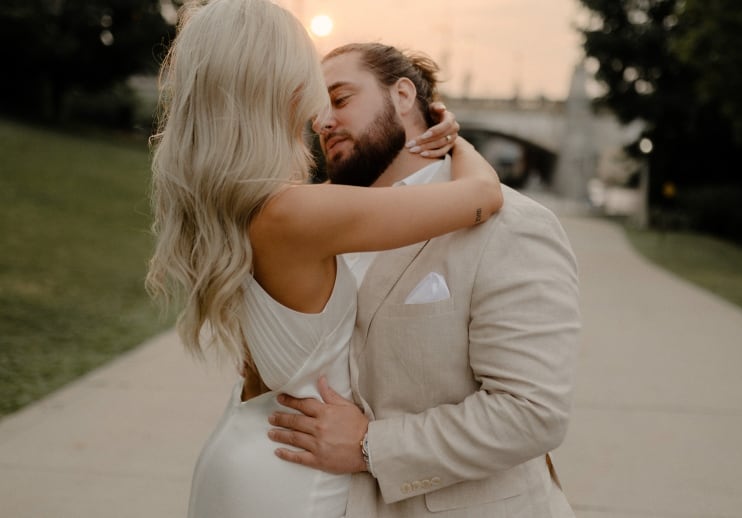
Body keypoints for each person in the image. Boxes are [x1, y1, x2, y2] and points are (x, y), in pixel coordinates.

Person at [144, 1, 502, 518]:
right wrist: (450, 134)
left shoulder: (243, 202)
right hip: (291, 477)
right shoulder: (300, 212)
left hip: (247, 451)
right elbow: (483, 197)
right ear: (281, 87)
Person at [261, 43, 581, 517]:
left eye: (341, 99)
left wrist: (371, 445)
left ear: (404, 95)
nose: (323, 121)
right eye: (315, 111)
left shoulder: (513, 225)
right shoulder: (316, 220)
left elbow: (531, 412)